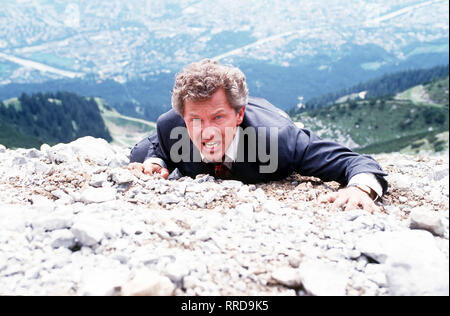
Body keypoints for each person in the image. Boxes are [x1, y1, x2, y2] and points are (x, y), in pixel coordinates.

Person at [128, 59, 388, 213]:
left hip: (267, 121)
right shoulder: (170, 127)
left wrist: (359, 189)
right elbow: (149, 149)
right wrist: (157, 162)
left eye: (218, 117)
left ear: (238, 115)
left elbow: (355, 162)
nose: (206, 131)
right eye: (195, 120)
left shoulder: (279, 141)